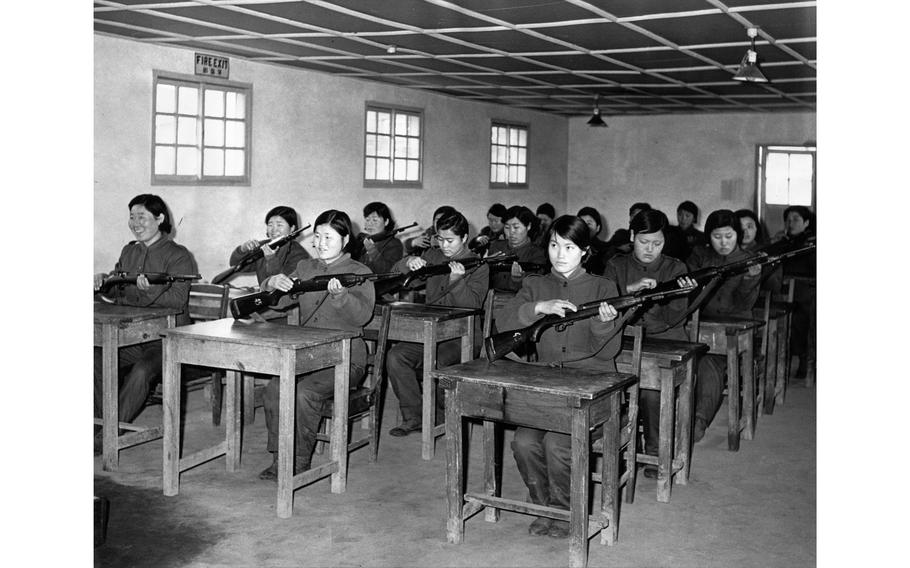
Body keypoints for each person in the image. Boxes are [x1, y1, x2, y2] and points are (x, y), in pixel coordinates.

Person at [497, 215, 621, 539]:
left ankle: (565, 512)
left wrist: (603, 323)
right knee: (523, 442)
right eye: (554, 245)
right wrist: (539, 307)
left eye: (569, 246)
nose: (560, 253)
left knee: (555, 443)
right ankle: (544, 508)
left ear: (585, 251)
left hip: (590, 387)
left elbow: (607, 353)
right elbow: (505, 322)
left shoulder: (603, 287)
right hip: (547, 386)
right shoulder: (534, 284)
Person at [257, 210, 375, 480]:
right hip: (309, 353)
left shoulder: (360, 272)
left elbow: (363, 317)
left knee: (304, 392)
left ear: (345, 240)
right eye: (318, 237)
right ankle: (279, 456)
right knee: (275, 387)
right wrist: (272, 281)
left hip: (345, 356)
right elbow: (279, 301)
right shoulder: (306, 268)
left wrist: (342, 297)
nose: (321, 243)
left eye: (328, 237)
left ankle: (298, 461)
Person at [93, 194, 197, 451]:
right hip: (133, 336)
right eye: (132, 216)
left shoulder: (179, 255)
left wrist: (149, 291)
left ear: (160, 218)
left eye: (142, 217)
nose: (135, 223)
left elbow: (176, 303)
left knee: (141, 371)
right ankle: (98, 425)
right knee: (93, 356)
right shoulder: (129, 250)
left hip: (167, 339)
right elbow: (118, 295)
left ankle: (109, 433)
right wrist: (103, 281)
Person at [602, 209, 694, 478]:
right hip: (622, 341)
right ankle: (616, 449)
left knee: (651, 392)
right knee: (610, 389)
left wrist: (677, 296)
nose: (651, 249)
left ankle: (654, 452)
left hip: (663, 341)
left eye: (657, 243)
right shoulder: (616, 265)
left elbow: (675, 320)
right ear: (632, 236)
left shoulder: (675, 268)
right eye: (644, 242)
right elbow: (603, 307)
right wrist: (630, 291)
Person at [386, 209, 490, 437]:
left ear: (464, 238)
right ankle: (415, 416)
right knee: (395, 357)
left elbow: (472, 305)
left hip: (462, 336)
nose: (444, 246)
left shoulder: (478, 265)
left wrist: (457, 281)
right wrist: (408, 261)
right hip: (431, 330)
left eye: (450, 240)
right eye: (440, 239)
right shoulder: (433, 257)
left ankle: (445, 414)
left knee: (439, 361)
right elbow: (400, 279)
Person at [686, 209, 762, 441]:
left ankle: (698, 421)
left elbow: (745, 304)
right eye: (717, 237)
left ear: (737, 235)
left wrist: (751, 279)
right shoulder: (700, 256)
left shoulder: (748, 259)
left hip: (732, 331)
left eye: (728, 236)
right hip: (699, 325)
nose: (723, 243)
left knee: (710, 361)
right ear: (708, 236)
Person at [773, 205, 816, 378]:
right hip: (782, 289)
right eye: (788, 220)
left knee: (799, 316)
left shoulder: (812, 243)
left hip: (806, 291)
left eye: (796, 219)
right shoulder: (783, 242)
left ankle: (804, 357)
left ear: (806, 223)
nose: (791, 223)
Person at [228, 205, 310, 285]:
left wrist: (271, 259)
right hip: (264, 296)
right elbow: (235, 265)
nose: (274, 229)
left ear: (292, 228)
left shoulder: (300, 254)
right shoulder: (263, 246)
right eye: (270, 225)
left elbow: (283, 285)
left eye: (279, 225)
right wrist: (243, 249)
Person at [487, 205, 548, 293]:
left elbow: (536, 288)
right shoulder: (495, 247)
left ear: (528, 226)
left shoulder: (537, 253)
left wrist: (518, 280)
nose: (511, 232)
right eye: (507, 227)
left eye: (516, 227)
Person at [735, 208, 781, 292]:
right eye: (739, 227)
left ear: (756, 228)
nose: (745, 231)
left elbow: (775, 285)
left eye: (749, 226)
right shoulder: (727, 252)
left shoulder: (767, 251)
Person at [353, 201, 405, 274]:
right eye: (367, 220)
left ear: (386, 222)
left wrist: (372, 250)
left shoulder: (394, 243)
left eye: (375, 220)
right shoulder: (362, 239)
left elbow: (387, 271)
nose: (370, 224)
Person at [576, 206, 609, 275]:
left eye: (589, 223)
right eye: (581, 223)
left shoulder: (605, 250)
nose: (585, 226)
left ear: (598, 227)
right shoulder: (570, 246)